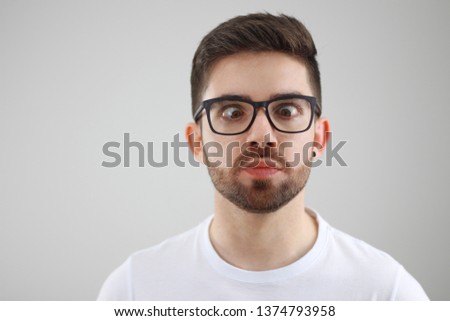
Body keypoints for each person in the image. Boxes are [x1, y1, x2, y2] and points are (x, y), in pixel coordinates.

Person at [97, 13, 428, 300]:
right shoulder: (133, 290)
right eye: (232, 111)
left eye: (286, 110)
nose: (262, 136)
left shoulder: (386, 294)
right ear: (196, 141)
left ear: (319, 137)